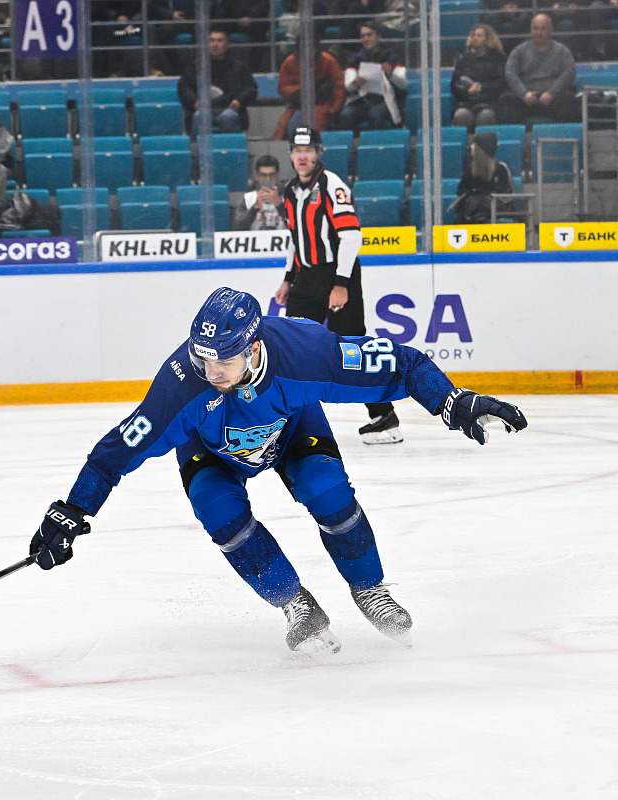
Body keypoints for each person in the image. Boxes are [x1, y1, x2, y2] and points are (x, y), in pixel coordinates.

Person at [27, 287, 528, 655]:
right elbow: (118, 449)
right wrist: (71, 510)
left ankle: (369, 589)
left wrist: (454, 401)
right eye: (202, 360)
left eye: (223, 362)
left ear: (253, 348)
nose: (209, 372)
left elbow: (405, 363)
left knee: (326, 489)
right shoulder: (181, 384)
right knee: (217, 509)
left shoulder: (306, 352)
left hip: (290, 430)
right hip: (210, 450)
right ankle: (295, 604)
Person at [274, 127, 401, 444]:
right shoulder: (290, 190)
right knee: (291, 346)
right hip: (306, 277)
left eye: (308, 150)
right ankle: (290, 419)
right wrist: (289, 278)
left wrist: (341, 283)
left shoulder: (333, 186)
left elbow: (351, 236)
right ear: (291, 155)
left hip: (337, 274)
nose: (302, 156)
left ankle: (384, 417)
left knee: (352, 347)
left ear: (318, 153)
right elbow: (296, 238)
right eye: (297, 150)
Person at [495, 14, 578, 125]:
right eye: (535, 28)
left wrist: (551, 93)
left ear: (551, 30)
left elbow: (569, 72)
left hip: (554, 99)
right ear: (530, 30)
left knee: (569, 100)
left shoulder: (562, 51)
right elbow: (510, 73)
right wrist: (523, 94)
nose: (539, 32)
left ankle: (564, 136)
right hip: (525, 100)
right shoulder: (519, 51)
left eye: (543, 29)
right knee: (506, 100)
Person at [177, 28, 258, 136]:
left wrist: (239, 101)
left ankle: (229, 147)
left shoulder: (239, 67)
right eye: (211, 40)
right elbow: (184, 88)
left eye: (219, 40)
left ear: (227, 45)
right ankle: (196, 146)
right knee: (200, 117)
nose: (215, 44)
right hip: (202, 109)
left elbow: (250, 89)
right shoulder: (195, 67)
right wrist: (194, 101)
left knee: (228, 117)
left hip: (230, 109)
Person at [336, 22, 407, 131]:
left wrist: (391, 74)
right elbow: (348, 86)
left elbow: (402, 84)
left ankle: (376, 141)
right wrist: (355, 83)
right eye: (363, 36)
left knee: (376, 115)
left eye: (369, 35)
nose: (366, 39)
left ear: (378, 36)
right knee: (346, 115)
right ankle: (353, 141)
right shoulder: (354, 60)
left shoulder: (393, 58)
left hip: (382, 101)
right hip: (360, 100)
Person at [274, 37, 345, 140]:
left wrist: (334, 109)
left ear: (317, 48)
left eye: (311, 47)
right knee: (291, 126)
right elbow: (282, 87)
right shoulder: (289, 63)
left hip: (322, 104)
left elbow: (339, 87)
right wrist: (302, 87)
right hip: (298, 106)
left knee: (315, 130)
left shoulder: (328, 61)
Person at [450, 24, 508, 129]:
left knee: (486, 117)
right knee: (461, 116)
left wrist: (482, 87)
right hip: (466, 102)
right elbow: (455, 84)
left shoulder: (497, 58)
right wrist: (467, 92)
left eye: (479, 36)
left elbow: (501, 83)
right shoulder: (462, 58)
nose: (475, 38)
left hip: (489, 103)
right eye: (474, 35)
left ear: (488, 39)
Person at [451, 131, 515, 223]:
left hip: (497, 210)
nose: (471, 147)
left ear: (481, 150)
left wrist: (485, 197)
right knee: (471, 202)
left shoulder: (501, 169)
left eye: (474, 144)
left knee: (478, 202)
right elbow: (461, 192)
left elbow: (507, 196)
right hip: (472, 208)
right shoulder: (470, 170)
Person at [234, 155, 287, 231]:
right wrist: (255, 208)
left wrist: (280, 205)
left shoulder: (288, 196)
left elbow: (298, 225)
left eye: (272, 175)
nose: (268, 179)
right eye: (263, 175)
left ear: (278, 175)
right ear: (257, 176)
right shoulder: (248, 198)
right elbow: (237, 229)